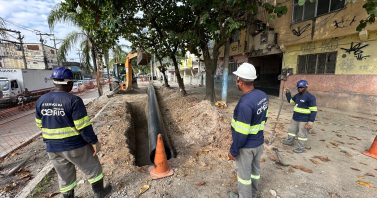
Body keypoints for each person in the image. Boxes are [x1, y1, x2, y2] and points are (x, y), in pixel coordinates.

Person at [35, 67, 111, 198]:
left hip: (52, 148)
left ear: (54, 82)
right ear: (69, 83)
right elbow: (83, 126)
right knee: (93, 168)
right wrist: (94, 142)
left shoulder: (41, 100)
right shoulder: (73, 100)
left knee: (64, 176)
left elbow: (39, 124)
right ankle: (100, 193)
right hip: (74, 145)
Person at [228, 63, 268, 198]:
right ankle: (254, 193)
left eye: (236, 78)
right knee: (255, 171)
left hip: (247, 147)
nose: (236, 81)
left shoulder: (245, 104)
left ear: (240, 81)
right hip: (259, 143)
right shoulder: (262, 95)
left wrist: (233, 151)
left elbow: (241, 133)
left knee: (244, 176)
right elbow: (264, 118)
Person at [282, 80, 317, 153]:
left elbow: (314, 111)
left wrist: (310, 122)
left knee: (302, 134)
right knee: (291, 131)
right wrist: (288, 93)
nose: (300, 89)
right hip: (295, 118)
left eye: (302, 87)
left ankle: (300, 148)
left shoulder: (310, 97)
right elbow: (291, 102)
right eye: (299, 87)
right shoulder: (297, 96)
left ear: (306, 87)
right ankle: (290, 141)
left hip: (304, 119)